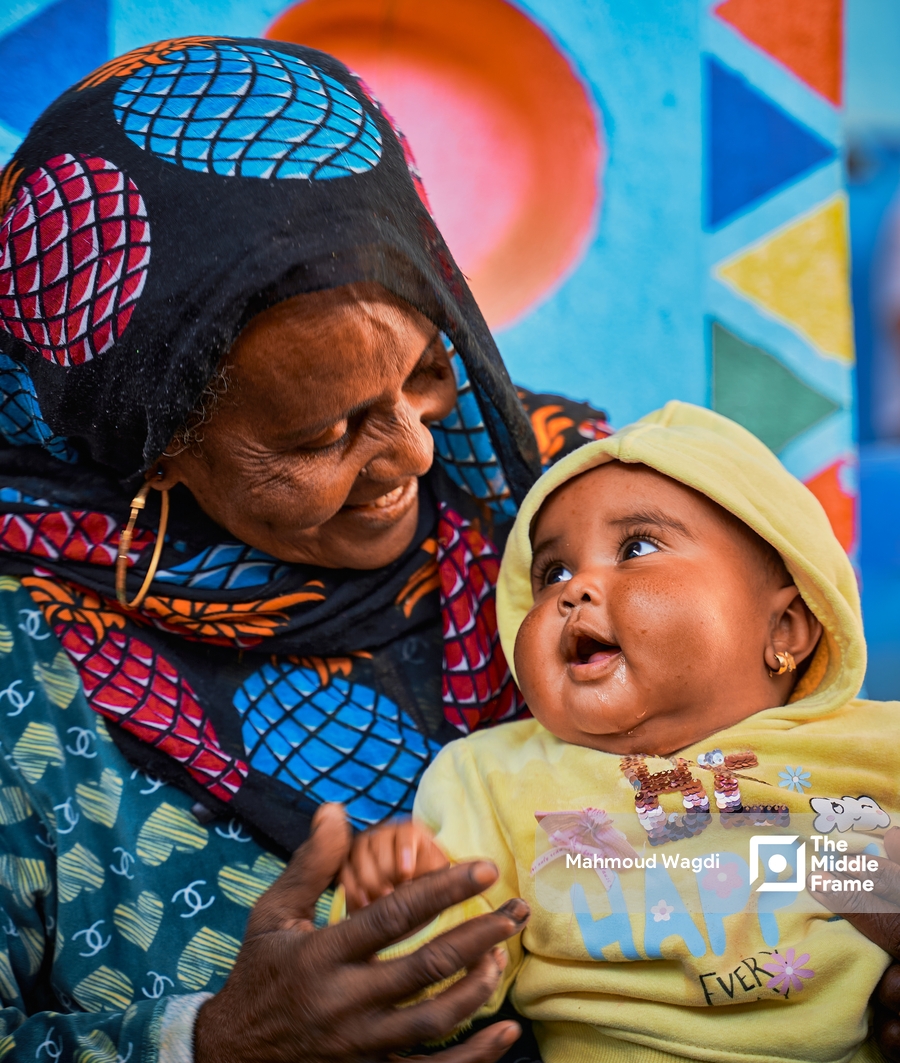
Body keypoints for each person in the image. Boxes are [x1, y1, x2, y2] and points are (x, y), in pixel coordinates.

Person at [0, 35, 614, 1062]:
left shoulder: (587, 506)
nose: (412, 454)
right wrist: (217, 1042)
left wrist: (873, 924)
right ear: (148, 445)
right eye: (319, 436)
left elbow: (810, 774)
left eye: (428, 368)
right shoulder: (26, 668)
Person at [342, 402, 900, 1062]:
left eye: (637, 547)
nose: (575, 590)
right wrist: (404, 903)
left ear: (785, 630)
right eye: (552, 572)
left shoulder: (869, 748)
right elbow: (434, 995)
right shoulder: (493, 778)